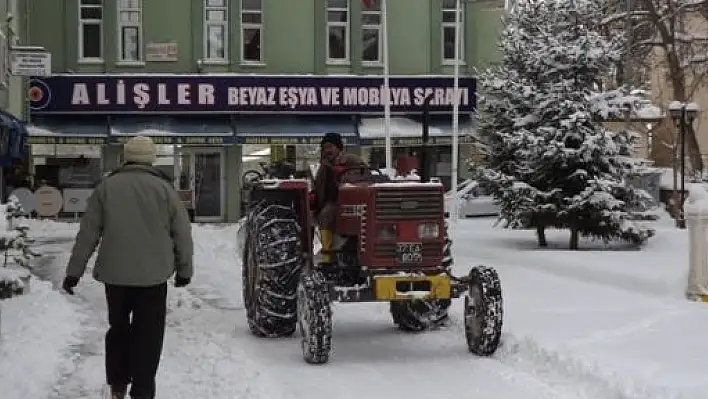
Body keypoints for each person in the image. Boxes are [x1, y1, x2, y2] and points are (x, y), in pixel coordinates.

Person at [61, 136, 194, 399]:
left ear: (126, 157)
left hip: (115, 276)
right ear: (152, 158)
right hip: (153, 278)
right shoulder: (165, 190)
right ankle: (143, 391)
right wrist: (184, 270)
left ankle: (118, 387)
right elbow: (182, 234)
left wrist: (73, 272)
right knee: (149, 337)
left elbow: (87, 233)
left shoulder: (107, 187)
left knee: (118, 331)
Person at [311, 132, 366, 264]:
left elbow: (360, 179)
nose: (327, 150)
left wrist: (341, 175)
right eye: (324, 148)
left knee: (326, 215)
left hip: (347, 202)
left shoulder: (351, 160)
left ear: (339, 147)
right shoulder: (324, 165)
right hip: (329, 201)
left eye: (330, 147)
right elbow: (319, 185)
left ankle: (327, 255)